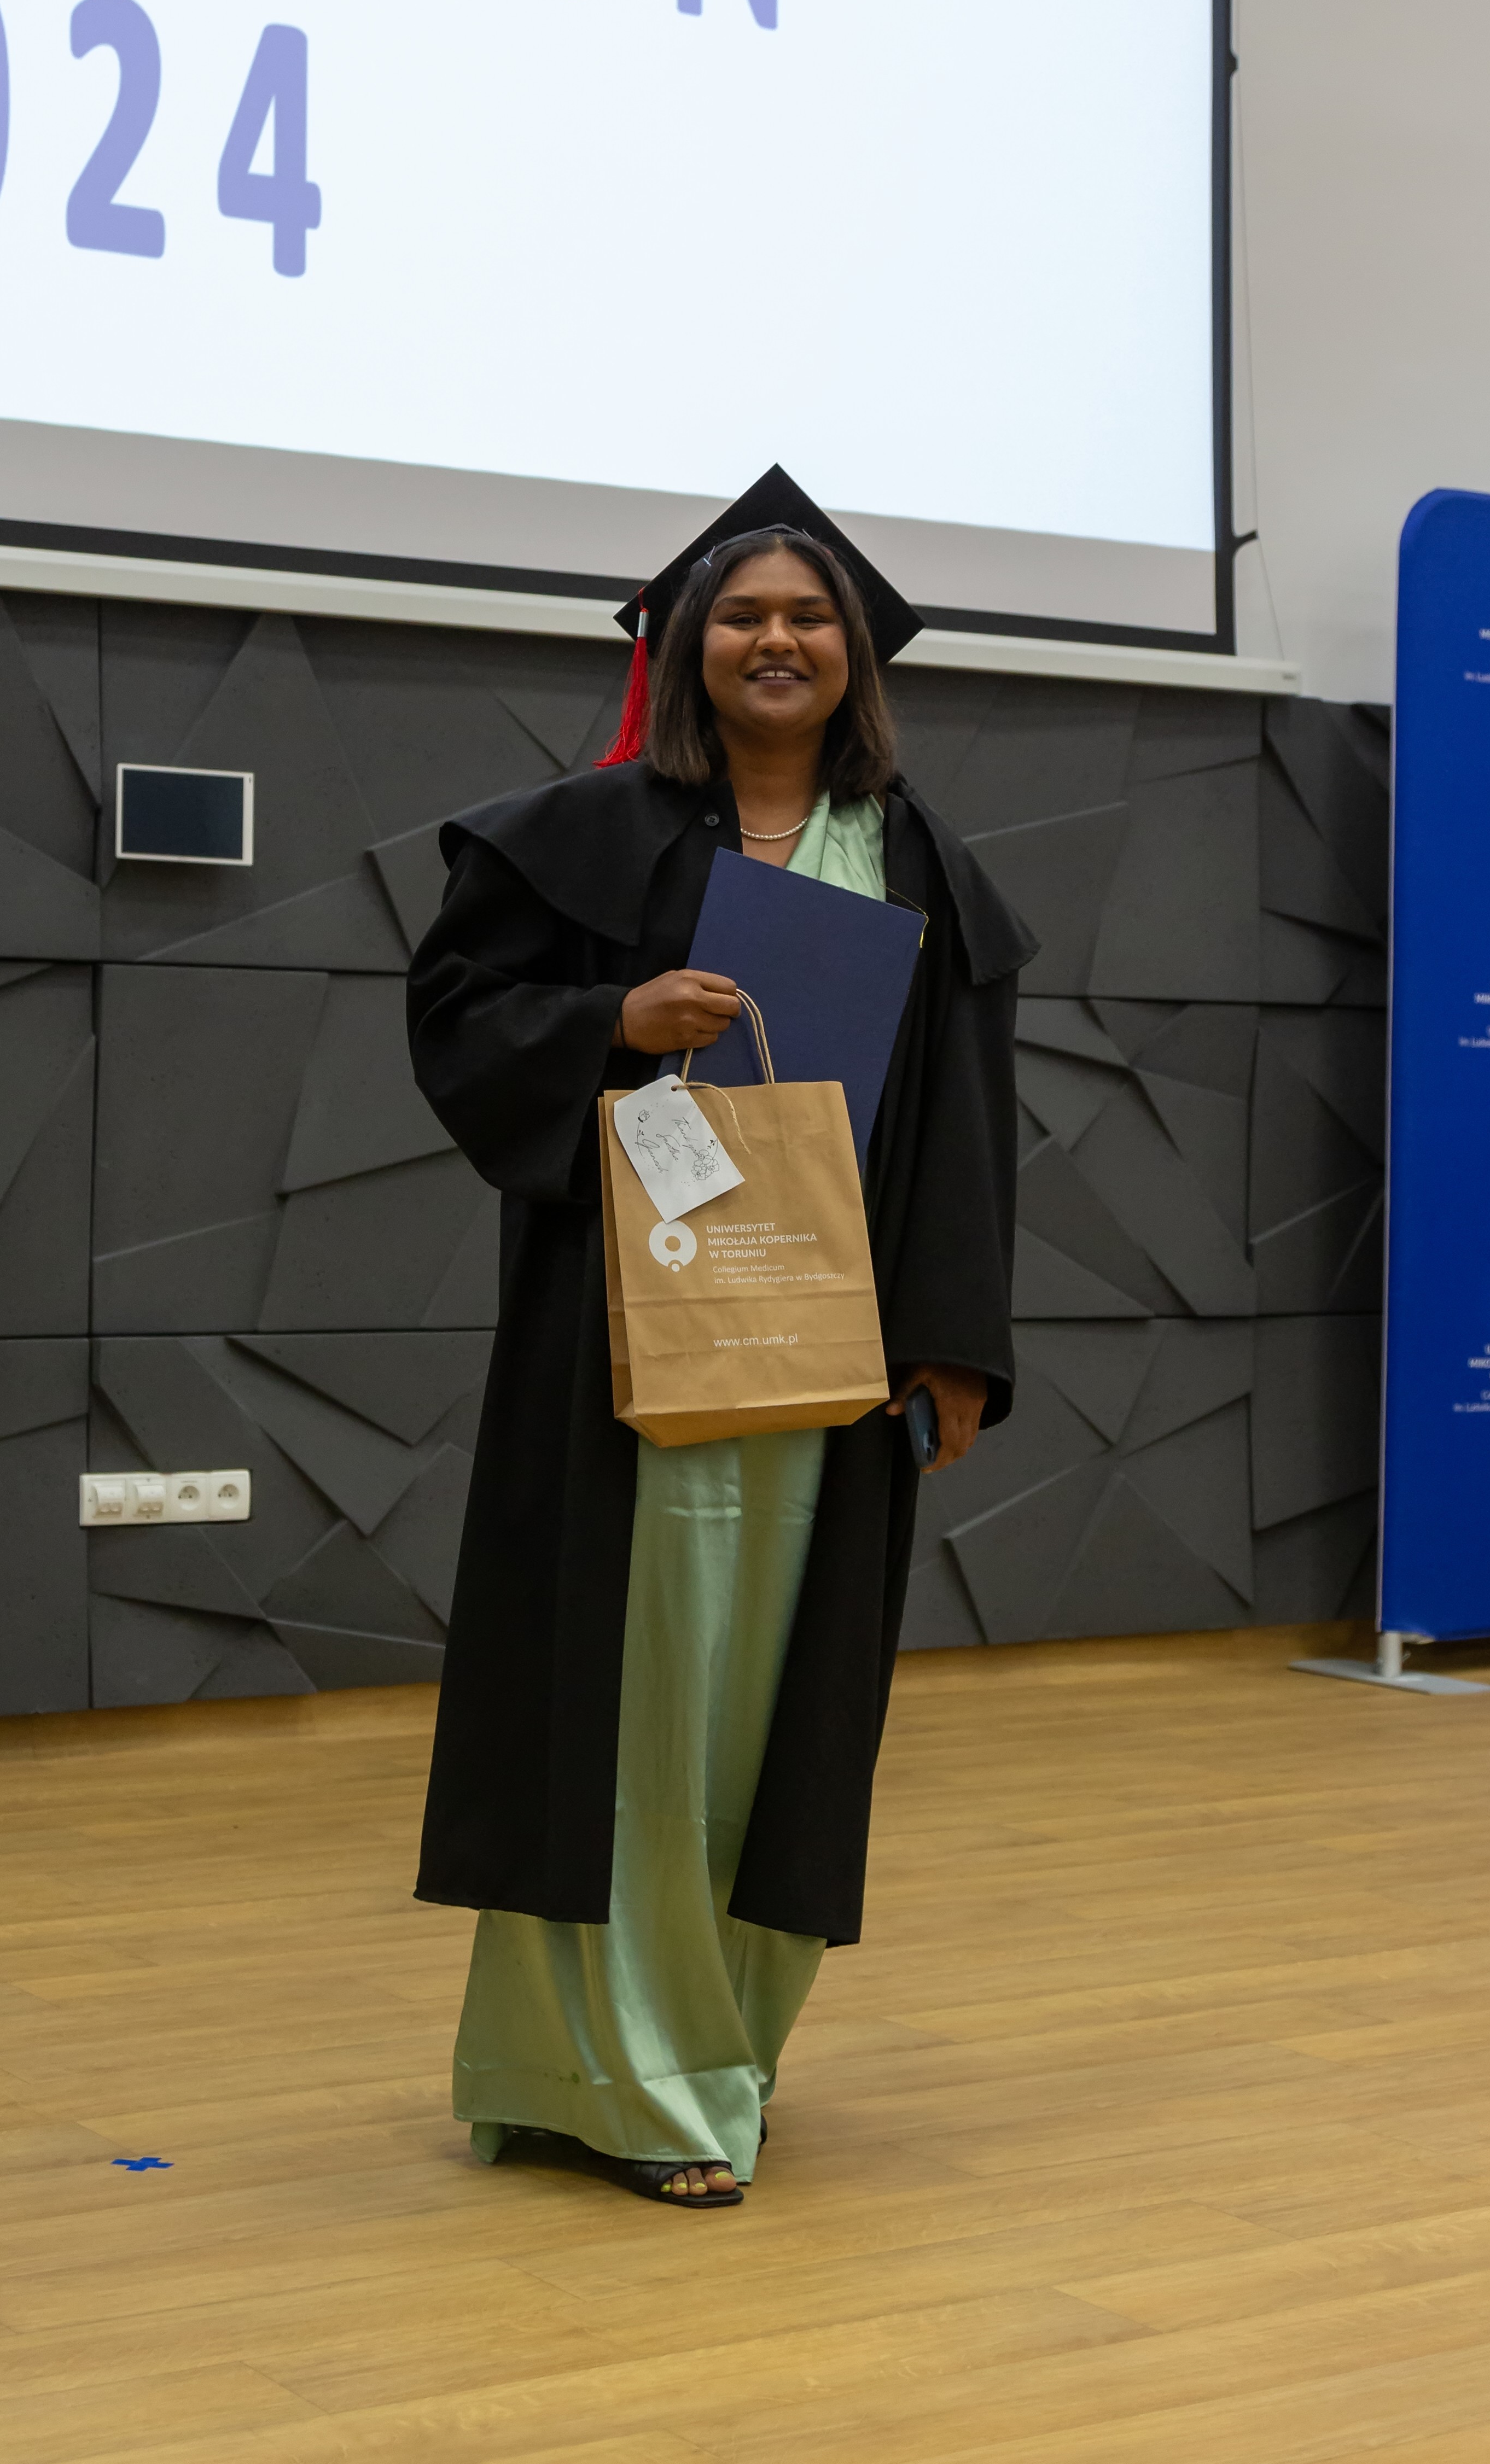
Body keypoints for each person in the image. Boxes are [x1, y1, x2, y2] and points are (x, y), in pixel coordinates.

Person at [406, 466, 1031, 2208]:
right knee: (623, 1700)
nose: (777, 637)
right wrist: (614, 1015)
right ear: (687, 644)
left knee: (773, 1709)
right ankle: (613, 2076)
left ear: (853, 656)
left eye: (808, 616)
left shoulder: (913, 859)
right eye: (743, 613)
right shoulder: (588, 836)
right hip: (623, 1351)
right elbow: (459, 1017)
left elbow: (968, 1118)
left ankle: (713, 2050)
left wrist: (954, 1339)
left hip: (828, 1353)